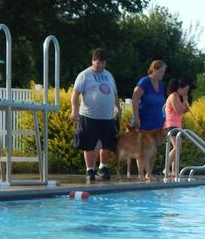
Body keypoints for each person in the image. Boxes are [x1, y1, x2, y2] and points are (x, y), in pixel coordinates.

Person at [70, 48, 120, 181]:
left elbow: (114, 94)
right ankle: (90, 169)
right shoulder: (85, 75)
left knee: (107, 143)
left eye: (103, 63)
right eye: (99, 63)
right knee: (88, 144)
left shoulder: (108, 75)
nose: (101, 66)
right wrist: (74, 110)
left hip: (107, 116)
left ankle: (103, 167)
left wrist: (117, 107)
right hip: (89, 116)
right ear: (93, 60)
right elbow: (75, 94)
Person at [163, 78, 190, 175]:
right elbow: (179, 111)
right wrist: (185, 105)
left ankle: (174, 171)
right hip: (171, 125)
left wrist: (184, 103)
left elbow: (180, 111)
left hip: (176, 125)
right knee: (177, 147)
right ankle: (166, 168)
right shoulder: (173, 96)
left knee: (177, 148)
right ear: (180, 88)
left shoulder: (177, 97)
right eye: (185, 90)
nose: (186, 92)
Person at [132, 60, 167, 131]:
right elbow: (135, 98)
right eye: (161, 71)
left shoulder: (161, 85)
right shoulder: (144, 82)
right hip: (144, 124)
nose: (163, 74)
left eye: (164, 72)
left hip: (158, 125)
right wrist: (136, 117)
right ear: (154, 69)